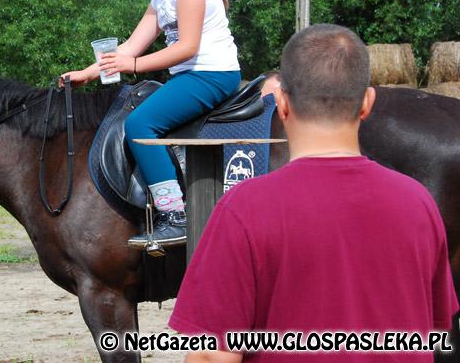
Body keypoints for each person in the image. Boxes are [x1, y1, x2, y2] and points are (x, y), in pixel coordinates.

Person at [169, 24, 459, 362]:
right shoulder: (419, 204)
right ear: (367, 103)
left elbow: (212, 355)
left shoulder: (242, 209)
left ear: (281, 103)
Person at [62, 0, 240, 247]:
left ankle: (175, 215)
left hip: (212, 74)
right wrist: (89, 72)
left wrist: (132, 67)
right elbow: (131, 46)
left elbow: (187, 47)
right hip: (192, 76)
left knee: (140, 125)